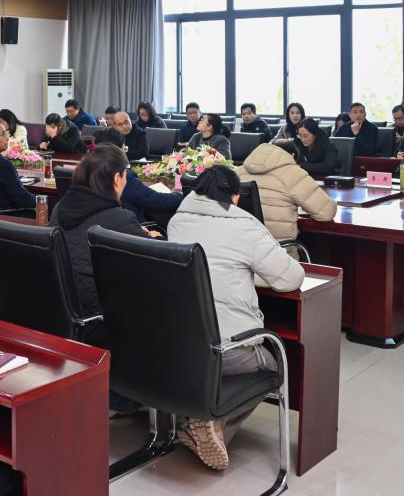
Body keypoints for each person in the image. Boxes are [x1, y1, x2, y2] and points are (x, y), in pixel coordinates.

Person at [167, 165, 303, 470]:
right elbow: (290, 278)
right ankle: (215, 426)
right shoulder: (245, 227)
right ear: (235, 197)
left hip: (182, 345)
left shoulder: (176, 221)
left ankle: (198, 424)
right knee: (275, 364)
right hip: (225, 349)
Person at [49, 144, 148, 339]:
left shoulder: (60, 208)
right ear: (117, 179)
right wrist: (155, 237)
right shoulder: (120, 218)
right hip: (101, 317)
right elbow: (153, 263)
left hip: (62, 311)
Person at [236, 142, 336, 243]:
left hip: (241, 247)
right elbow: (326, 213)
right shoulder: (293, 173)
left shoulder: (237, 173)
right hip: (279, 249)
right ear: (292, 156)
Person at [94, 130, 181, 222]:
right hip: (131, 226)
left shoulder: (90, 172)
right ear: (117, 152)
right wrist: (180, 194)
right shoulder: (123, 177)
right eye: (124, 149)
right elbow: (159, 201)